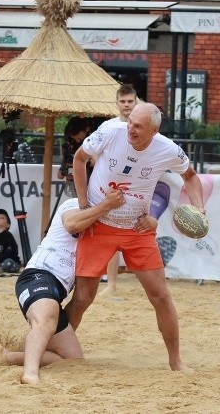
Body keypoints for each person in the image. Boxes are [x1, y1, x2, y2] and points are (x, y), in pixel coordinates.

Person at [66, 101, 204, 371]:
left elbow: (191, 177)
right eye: (130, 122)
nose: (131, 128)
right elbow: (79, 159)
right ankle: (56, 347)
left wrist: (199, 209)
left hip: (136, 229)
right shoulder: (110, 132)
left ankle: (176, 362)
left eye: (138, 126)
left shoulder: (167, 149)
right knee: (83, 297)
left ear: (154, 130)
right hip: (100, 223)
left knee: (160, 295)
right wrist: (85, 208)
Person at [0, 190, 125, 384]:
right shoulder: (74, 205)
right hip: (38, 275)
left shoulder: (105, 223)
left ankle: (6, 357)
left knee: (72, 362)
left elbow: (83, 298)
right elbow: (71, 224)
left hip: (57, 289)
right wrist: (107, 205)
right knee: (46, 319)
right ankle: (30, 374)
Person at [101, 83, 139, 294]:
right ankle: (112, 284)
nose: (126, 105)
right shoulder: (108, 127)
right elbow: (94, 154)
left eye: (130, 101)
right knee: (111, 236)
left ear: (136, 101)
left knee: (142, 232)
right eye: (123, 101)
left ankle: (146, 280)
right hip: (113, 188)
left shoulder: (144, 126)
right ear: (116, 103)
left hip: (138, 188)